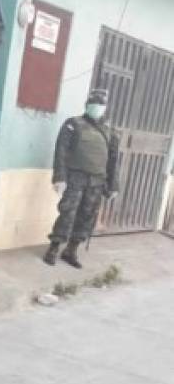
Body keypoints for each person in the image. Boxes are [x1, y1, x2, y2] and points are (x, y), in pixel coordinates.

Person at [44, 89, 120, 268]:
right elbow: (61, 151)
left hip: (97, 181)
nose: (97, 107)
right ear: (87, 105)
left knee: (87, 216)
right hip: (76, 178)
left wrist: (113, 185)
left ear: (105, 108)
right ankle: (54, 248)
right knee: (68, 212)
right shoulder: (73, 124)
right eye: (94, 103)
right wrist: (60, 177)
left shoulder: (110, 132)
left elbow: (113, 160)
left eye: (100, 105)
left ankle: (71, 250)